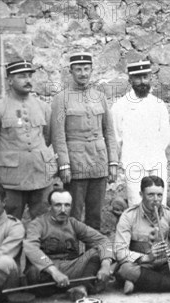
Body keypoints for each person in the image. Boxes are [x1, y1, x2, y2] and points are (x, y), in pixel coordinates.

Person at [0, 60, 58, 219]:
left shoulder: (43, 107)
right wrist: (4, 160)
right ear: (9, 81)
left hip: (40, 176)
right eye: (22, 76)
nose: (28, 80)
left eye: (30, 76)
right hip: (11, 179)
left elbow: (48, 137)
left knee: (43, 221)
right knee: (9, 222)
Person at [51, 52, 118, 231]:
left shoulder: (100, 97)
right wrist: (63, 164)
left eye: (86, 69)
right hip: (75, 164)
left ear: (91, 70)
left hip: (99, 162)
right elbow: (58, 135)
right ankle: (73, 254)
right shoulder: (61, 99)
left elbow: (109, 132)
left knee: (95, 215)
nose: (83, 73)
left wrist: (113, 162)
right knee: (74, 213)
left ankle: (93, 253)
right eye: (78, 69)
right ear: (70, 71)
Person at [114, 176, 170, 294]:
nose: (156, 199)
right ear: (141, 194)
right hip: (142, 265)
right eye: (150, 195)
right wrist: (146, 258)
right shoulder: (128, 216)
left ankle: (140, 282)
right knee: (125, 269)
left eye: (159, 195)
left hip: (163, 264)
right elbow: (120, 251)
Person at [23, 189, 113, 300]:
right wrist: (54, 271)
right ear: (49, 206)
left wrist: (105, 266)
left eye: (67, 205)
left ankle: (80, 287)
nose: (63, 210)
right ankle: (83, 285)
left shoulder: (73, 223)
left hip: (71, 267)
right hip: (48, 270)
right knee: (33, 272)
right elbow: (31, 248)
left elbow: (103, 240)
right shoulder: (37, 224)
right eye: (58, 205)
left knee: (97, 254)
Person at [111, 60, 170, 206]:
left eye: (145, 77)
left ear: (150, 78)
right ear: (130, 79)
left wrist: (154, 152)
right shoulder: (120, 106)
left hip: (157, 162)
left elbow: (165, 135)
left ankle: (160, 229)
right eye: (138, 78)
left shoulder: (158, 105)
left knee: (159, 204)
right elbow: (116, 137)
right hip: (133, 163)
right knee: (137, 204)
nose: (142, 82)